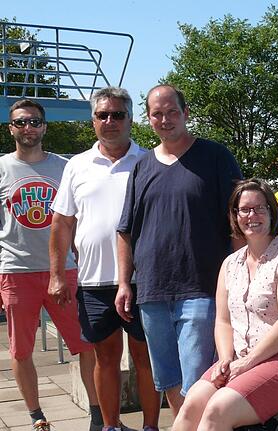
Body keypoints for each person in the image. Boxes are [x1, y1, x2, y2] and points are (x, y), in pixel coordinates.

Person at [116, 85, 243, 416]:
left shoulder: (215, 157)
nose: (165, 119)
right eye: (157, 113)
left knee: (198, 382)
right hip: (153, 294)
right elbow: (126, 231)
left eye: (172, 111)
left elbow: (238, 223)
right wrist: (124, 283)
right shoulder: (142, 166)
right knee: (168, 381)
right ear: (149, 119)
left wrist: (242, 279)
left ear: (186, 114)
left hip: (201, 290)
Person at [172, 179, 278, 431]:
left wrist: (246, 364)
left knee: (218, 409)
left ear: (272, 211)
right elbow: (223, 321)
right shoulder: (230, 264)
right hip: (244, 358)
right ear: (235, 216)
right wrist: (226, 359)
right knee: (192, 404)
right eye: (244, 209)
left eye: (260, 208)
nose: (252, 215)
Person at [49, 88, 161, 431]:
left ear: (130, 119)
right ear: (93, 120)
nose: (110, 122)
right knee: (105, 358)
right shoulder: (77, 166)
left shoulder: (149, 162)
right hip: (94, 282)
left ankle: (151, 427)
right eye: (102, 115)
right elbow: (62, 222)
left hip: (144, 281)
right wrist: (56, 274)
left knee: (145, 360)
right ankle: (110, 426)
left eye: (118, 115)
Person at [0, 99, 100, 431]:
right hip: (16, 272)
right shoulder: (1, 168)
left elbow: (78, 217)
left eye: (34, 122)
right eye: (20, 122)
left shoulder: (64, 167)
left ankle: (99, 414)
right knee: (21, 348)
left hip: (64, 270)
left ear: (44, 126)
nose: (28, 128)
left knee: (87, 344)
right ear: (10, 127)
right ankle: (35, 415)